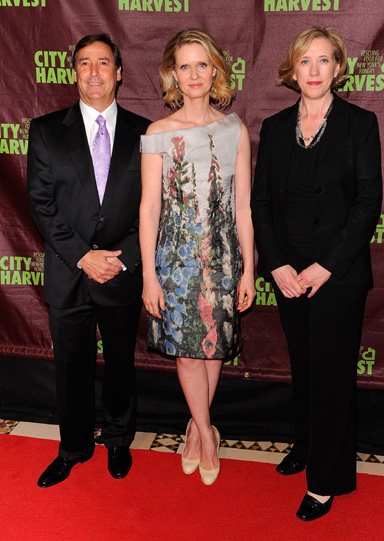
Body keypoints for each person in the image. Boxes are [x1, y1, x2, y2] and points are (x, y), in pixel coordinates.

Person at [251, 27, 382, 520]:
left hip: (338, 274)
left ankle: (326, 480)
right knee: (305, 367)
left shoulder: (359, 124)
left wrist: (325, 266)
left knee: (330, 374)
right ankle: (306, 444)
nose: (313, 70)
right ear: (292, 69)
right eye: (304, 61)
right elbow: (261, 203)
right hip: (287, 274)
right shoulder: (276, 126)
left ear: (338, 68)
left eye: (323, 61)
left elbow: (368, 202)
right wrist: (279, 264)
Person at [27, 33, 151, 487]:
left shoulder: (147, 132)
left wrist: (124, 257)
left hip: (121, 269)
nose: (94, 72)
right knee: (70, 366)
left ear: (119, 72)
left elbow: (155, 207)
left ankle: (118, 440)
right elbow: (41, 203)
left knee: (121, 362)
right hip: (68, 271)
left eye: (103, 62)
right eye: (84, 63)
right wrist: (83, 256)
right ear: (73, 72)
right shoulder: (44, 130)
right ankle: (74, 447)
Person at [140, 28, 255, 486]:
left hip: (224, 256)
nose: (193, 75)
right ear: (172, 73)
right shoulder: (156, 134)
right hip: (174, 258)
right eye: (184, 66)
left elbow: (243, 205)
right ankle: (207, 435)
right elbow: (149, 208)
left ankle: (195, 425)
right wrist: (149, 274)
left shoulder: (235, 129)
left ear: (215, 72)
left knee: (213, 351)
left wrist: (250, 268)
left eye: (201, 65)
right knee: (188, 353)